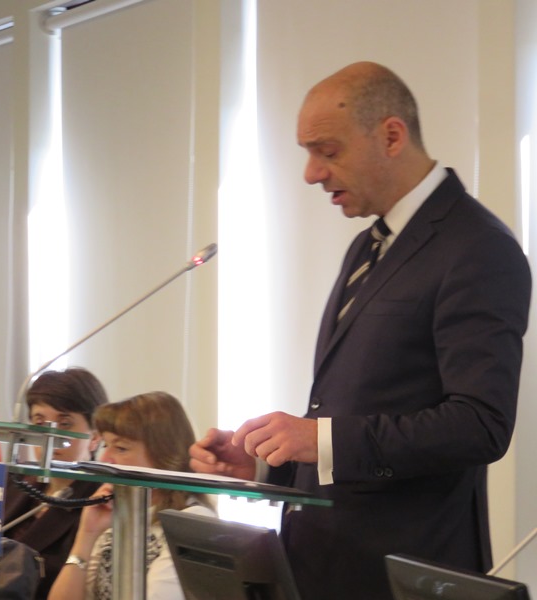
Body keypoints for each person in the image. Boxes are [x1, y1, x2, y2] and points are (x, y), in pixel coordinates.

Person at [189, 61, 532, 600]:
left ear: (391, 136)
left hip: (402, 574)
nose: (311, 173)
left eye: (327, 151)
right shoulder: (367, 246)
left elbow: (479, 424)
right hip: (323, 569)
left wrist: (319, 437)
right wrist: (267, 463)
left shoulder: (478, 247)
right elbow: (355, 420)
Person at [49, 392, 215, 600]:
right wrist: (87, 535)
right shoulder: (117, 519)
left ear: (164, 455)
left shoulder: (192, 522)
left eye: (120, 448)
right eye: (105, 445)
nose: (105, 459)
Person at [2, 367, 108, 599]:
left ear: (95, 436)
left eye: (65, 423)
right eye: (40, 422)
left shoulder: (100, 503)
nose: (50, 435)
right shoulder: (15, 480)